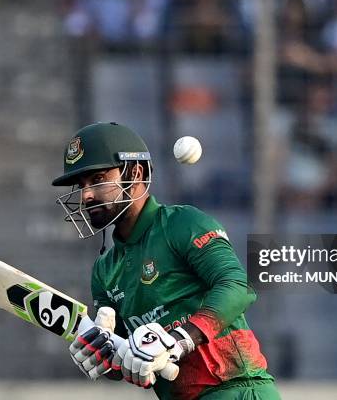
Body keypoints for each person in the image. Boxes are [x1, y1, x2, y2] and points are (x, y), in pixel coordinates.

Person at [52, 122, 280, 400]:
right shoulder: (104, 271)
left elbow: (237, 285)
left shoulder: (182, 224)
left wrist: (178, 340)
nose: (86, 195)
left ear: (134, 173)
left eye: (98, 180)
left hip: (236, 390)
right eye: (82, 185)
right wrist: (103, 352)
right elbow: (135, 359)